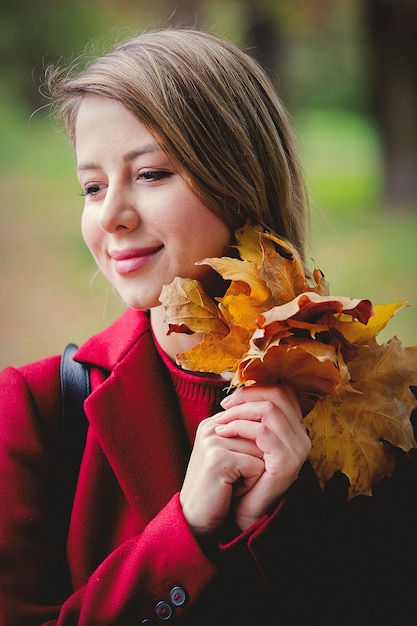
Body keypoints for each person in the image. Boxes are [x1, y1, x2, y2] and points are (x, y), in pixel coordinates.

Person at [0, 27, 416, 626]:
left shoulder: (376, 405)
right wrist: (187, 535)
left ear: (239, 180)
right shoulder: (37, 411)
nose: (111, 216)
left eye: (151, 174)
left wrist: (270, 526)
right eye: (92, 187)